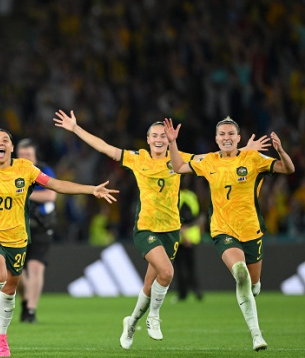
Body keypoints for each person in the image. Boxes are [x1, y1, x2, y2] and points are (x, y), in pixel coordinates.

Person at [53, 109, 269, 350]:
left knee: (149, 285)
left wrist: (245, 152)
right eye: (154, 136)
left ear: (169, 139)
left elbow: (215, 158)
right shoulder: (138, 158)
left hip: (171, 231)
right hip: (146, 229)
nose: (158, 139)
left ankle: (132, 321)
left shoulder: (179, 158)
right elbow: (105, 147)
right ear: (147, 140)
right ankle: (154, 317)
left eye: (163, 136)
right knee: (166, 273)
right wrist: (75, 128)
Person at [0, 127, 118, 357]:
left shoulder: (25, 169)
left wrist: (91, 189)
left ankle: (1, 335)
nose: (0, 143)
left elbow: (56, 185)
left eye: (5, 140)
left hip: (18, 238)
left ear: (12, 148)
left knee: (11, 288)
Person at [165, 116, 295, 351]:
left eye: (230, 134)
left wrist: (282, 152)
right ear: (216, 139)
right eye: (222, 134)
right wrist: (173, 143)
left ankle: (254, 288)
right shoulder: (209, 161)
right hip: (223, 231)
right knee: (240, 273)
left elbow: (288, 168)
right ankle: (256, 335)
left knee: (253, 285)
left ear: (238, 138)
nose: (226, 138)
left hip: (252, 231)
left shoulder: (254, 158)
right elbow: (178, 167)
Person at [15, 138, 57, 323]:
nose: (25, 158)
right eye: (22, 154)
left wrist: (25, 194)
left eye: (28, 155)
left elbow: (51, 194)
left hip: (40, 226)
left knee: (36, 267)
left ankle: (30, 310)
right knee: (17, 272)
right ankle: (26, 301)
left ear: (35, 156)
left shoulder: (42, 171)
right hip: (16, 227)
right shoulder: (10, 171)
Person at [174, 185, 204, 302]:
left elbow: (178, 218)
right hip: (193, 236)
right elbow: (200, 216)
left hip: (181, 237)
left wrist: (183, 235)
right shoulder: (192, 196)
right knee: (191, 266)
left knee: (180, 267)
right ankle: (197, 291)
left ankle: (183, 294)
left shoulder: (177, 196)